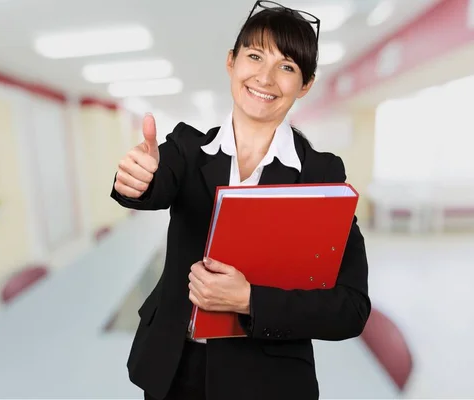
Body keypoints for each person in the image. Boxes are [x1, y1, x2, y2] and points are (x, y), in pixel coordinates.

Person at [110, 1, 371, 399]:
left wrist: (251, 300)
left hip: (267, 381)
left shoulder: (320, 174)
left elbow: (350, 308)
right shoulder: (186, 148)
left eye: (286, 66)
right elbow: (155, 185)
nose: (265, 77)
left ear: (305, 84)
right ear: (231, 62)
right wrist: (136, 180)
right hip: (173, 370)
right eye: (254, 56)